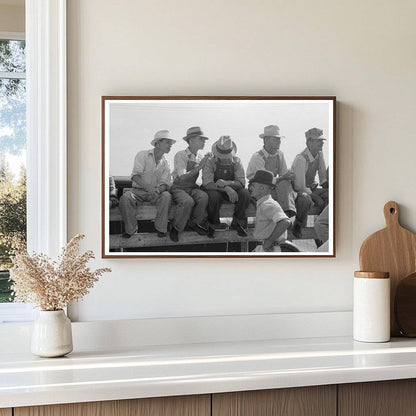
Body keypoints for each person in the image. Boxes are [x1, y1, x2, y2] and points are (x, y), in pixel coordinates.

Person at [119, 129, 175, 238]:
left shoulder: (166, 163)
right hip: (138, 191)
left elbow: (165, 184)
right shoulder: (142, 155)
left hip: (155, 193)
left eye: (171, 143)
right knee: (125, 198)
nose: (170, 145)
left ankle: (161, 229)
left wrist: (158, 190)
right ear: (158, 143)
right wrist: (149, 188)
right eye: (168, 142)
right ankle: (131, 230)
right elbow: (135, 176)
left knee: (166, 195)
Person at [202, 136, 251, 237]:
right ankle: (214, 223)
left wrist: (227, 183)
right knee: (214, 196)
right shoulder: (210, 162)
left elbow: (241, 182)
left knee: (245, 193)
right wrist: (225, 188)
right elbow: (207, 184)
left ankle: (237, 221)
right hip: (215, 190)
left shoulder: (237, 161)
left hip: (232, 191)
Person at [169, 126, 211, 242]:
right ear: (191, 140)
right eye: (201, 139)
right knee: (188, 201)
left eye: (204, 140)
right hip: (179, 188)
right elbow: (182, 176)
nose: (204, 142)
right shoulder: (181, 155)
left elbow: (206, 175)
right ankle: (176, 228)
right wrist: (201, 166)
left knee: (203, 197)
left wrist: (212, 159)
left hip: (192, 187)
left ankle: (195, 223)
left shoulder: (200, 157)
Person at [246, 125, 296, 217]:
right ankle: (285, 215)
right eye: (275, 139)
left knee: (285, 183)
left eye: (279, 139)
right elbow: (264, 180)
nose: (279, 141)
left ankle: (286, 214)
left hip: (272, 186)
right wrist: (284, 177)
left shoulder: (280, 154)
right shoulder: (257, 157)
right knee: (282, 183)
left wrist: (289, 176)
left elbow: (283, 174)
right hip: (257, 187)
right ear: (266, 140)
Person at [291, 127, 329, 238]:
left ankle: (325, 223)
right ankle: (298, 224)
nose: (322, 143)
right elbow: (299, 186)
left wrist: (327, 189)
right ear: (309, 142)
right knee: (305, 198)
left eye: (322, 140)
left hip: (311, 188)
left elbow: (323, 177)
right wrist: (316, 198)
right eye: (318, 140)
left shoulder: (319, 154)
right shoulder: (301, 159)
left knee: (331, 195)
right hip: (298, 192)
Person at [249, 170, 292, 252]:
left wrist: (268, 242)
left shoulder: (267, 204)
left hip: (267, 249)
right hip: (265, 247)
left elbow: (285, 222)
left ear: (262, 188)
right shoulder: (264, 203)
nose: (250, 188)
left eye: (253, 186)